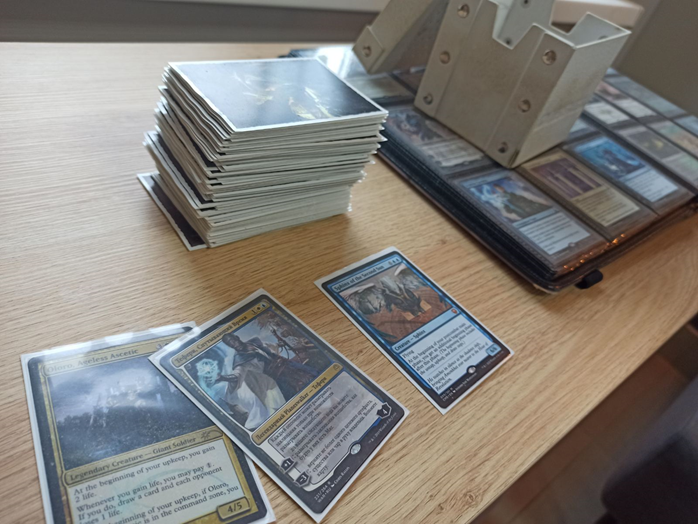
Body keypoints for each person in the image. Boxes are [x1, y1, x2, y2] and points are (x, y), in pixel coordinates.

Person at [219, 333, 319, 405]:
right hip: (278, 376)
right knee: (294, 397)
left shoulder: (254, 342)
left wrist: (279, 344)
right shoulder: (240, 359)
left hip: (287, 364)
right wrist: (224, 378)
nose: (233, 344)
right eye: (230, 344)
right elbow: (237, 375)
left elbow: (268, 346)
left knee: (313, 374)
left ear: (237, 337)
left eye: (233, 341)